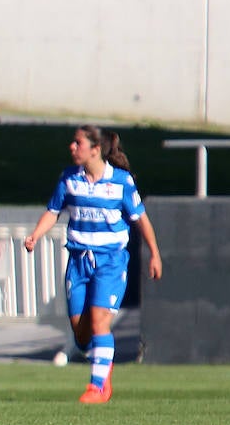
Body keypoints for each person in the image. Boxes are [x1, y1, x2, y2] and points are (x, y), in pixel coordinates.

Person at [24, 126, 163, 404]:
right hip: (78, 261)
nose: (72, 147)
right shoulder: (69, 179)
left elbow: (141, 220)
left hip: (110, 261)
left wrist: (155, 254)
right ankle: (102, 367)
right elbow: (53, 212)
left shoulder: (120, 182)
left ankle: (97, 387)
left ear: (95, 149)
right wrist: (35, 235)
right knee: (82, 334)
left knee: (100, 321)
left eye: (78, 143)